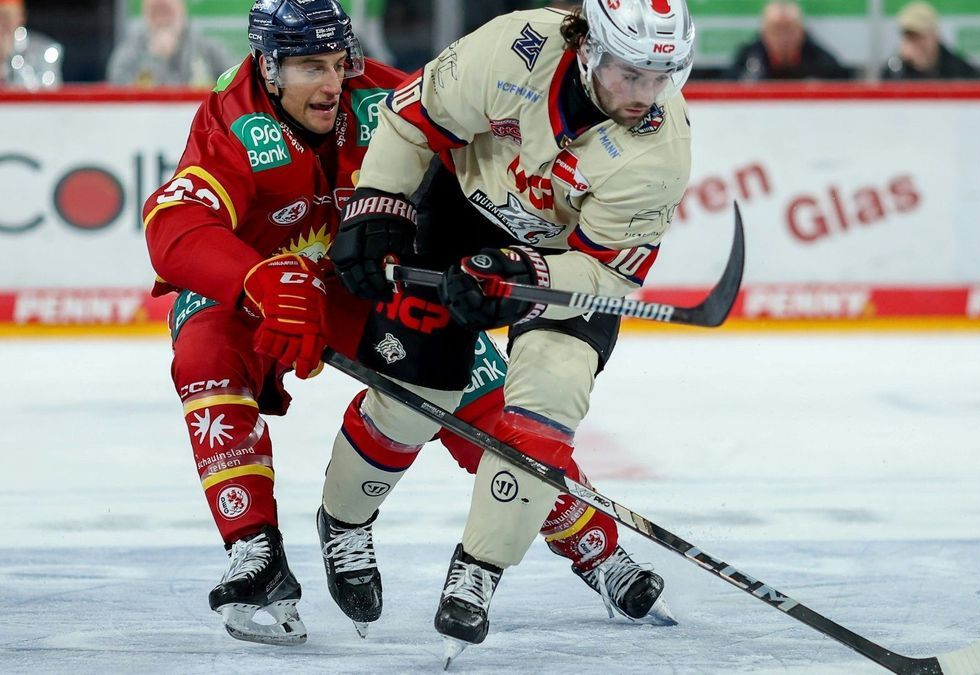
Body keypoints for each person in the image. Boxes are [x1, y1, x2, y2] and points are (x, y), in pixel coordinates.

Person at [143, 0, 656, 647]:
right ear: (267, 67)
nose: (332, 83)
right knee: (202, 352)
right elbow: (172, 227)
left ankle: (594, 544)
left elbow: (488, 161)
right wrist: (257, 279)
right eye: (309, 67)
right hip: (257, 291)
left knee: (490, 406)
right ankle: (256, 552)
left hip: (368, 285)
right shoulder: (230, 116)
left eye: (338, 63)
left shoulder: (380, 95)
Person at [326, 0, 693, 662]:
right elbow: (414, 114)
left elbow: (606, 274)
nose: (644, 96)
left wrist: (523, 273)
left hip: (567, 264)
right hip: (463, 213)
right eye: (630, 74)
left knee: (546, 404)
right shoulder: (516, 48)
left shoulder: (658, 154)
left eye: (659, 76)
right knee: (416, 400)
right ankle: (345, 519)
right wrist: (378, 203)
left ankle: (479, 569)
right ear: (588, 50)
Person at [107, 0, 234, 87]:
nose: (163, 19)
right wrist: (155, 59)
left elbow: (238, 88)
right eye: (157, 11)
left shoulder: (211, 50)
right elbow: (120, 107)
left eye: (166, 11)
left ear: (182, 6)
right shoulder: (126, 57)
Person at [727, 1, 852, 81]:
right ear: (764, 32)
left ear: (802, 31)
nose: (783, 37)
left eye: (789, 29)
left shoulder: (822, 62)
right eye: (776, 29)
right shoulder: (746, 60)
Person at [881, 1, 980, 81]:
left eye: (919, 36)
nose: (915, 44)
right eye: (909, 37)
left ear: (934, 35)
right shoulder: (895, 70)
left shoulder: (957, 68)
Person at [0, 0, 62, 90]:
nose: (2, 23)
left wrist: (8, 56)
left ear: (21, 16)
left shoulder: (44, 50)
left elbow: (48, 92)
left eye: (6, 16)